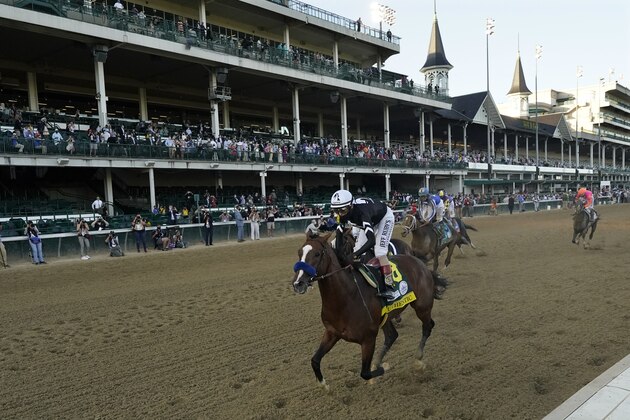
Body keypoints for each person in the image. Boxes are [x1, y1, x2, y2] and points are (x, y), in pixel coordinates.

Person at [330, 189, 396, 299]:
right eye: (336, 211)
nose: (340, 214)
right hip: (370, 219)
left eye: (342, 210)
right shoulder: (343, 213)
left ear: (350, 206)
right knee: (358, 247)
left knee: (379, 252)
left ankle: (389, 286)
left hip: (384, 218)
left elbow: (371, 241)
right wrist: (338, 253)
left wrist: (354, 255)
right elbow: (339, 234)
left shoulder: (361, 213)